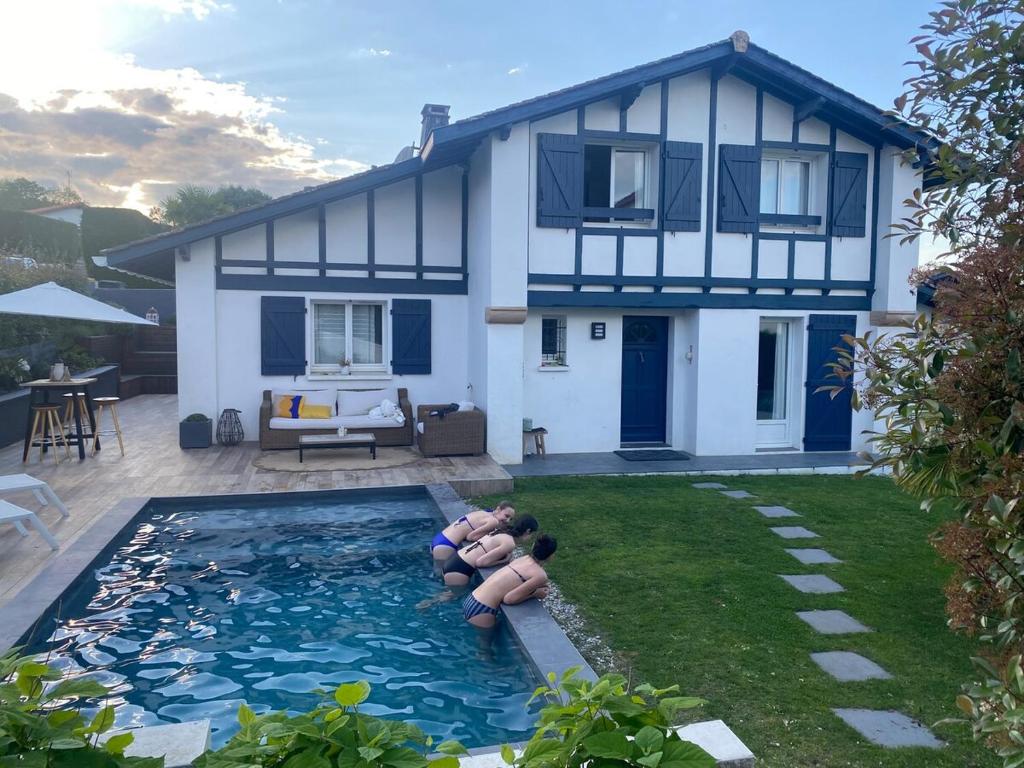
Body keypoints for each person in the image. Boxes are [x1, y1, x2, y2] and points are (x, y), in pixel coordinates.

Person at [463, 535, 557, 628]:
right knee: (486, 643)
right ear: (551, 556)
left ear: (533, 546)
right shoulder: (540, 575)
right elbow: (509, 599)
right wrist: (535, 594)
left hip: (471, 599)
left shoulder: (522, 559)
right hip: (482, 609)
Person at [442, 515, 539, 586]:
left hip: (455, 559)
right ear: (528, 531)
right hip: (460, 569)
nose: (531, 538)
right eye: (532, 535)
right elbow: (480, 562)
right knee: (447, 598)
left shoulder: (500, 531)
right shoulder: (509, 543)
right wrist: (504, 560)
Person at [430, 501, 515, 561]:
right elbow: (471, 537)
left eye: (510, 519)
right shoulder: (494, 521)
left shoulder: (483, 512)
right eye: (506, 516)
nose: (507, 521)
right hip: (446, 546)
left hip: (439, 538)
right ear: (498, 509)